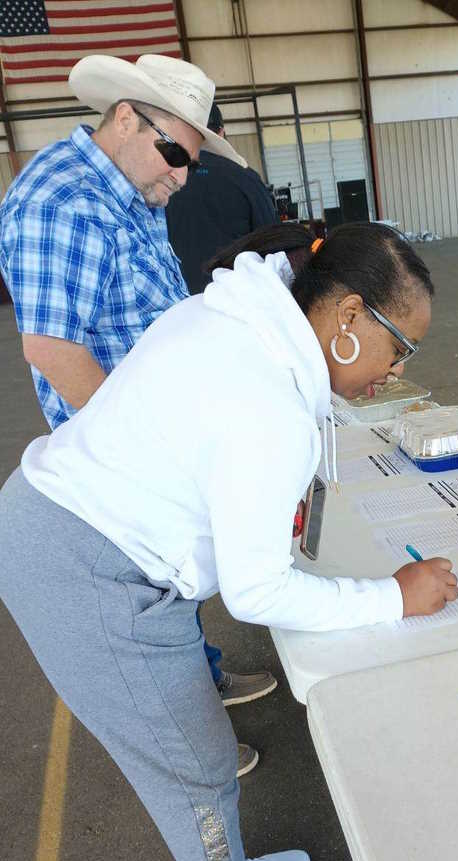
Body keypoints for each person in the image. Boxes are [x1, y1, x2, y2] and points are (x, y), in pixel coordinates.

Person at [0, 221, 458, 861]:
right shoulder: (267, 397)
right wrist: (392, 597)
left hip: (71, 534)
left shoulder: (238, 318)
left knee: (191, 761)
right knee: (197, 772)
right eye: (400, 348)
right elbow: (257, 591)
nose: (396, 373)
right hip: (88, 573)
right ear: (349, 315)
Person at [0, 54, 275, 758]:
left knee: (178, 589)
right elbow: (52, 348)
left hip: (161, 437)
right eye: (174, 153)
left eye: (191, 163)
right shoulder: (62, 200)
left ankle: (202, 684)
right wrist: (139, 449)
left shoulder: (131, 190)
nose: (180, 176)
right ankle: (191, 751)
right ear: (125, 118)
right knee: (147, 609)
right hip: (124, 460)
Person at [166, 103, 279, 294]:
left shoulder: (164, 179)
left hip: (180, 300)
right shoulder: (245, 177)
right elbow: (274, 240)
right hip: (237, 296)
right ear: (221, 133)